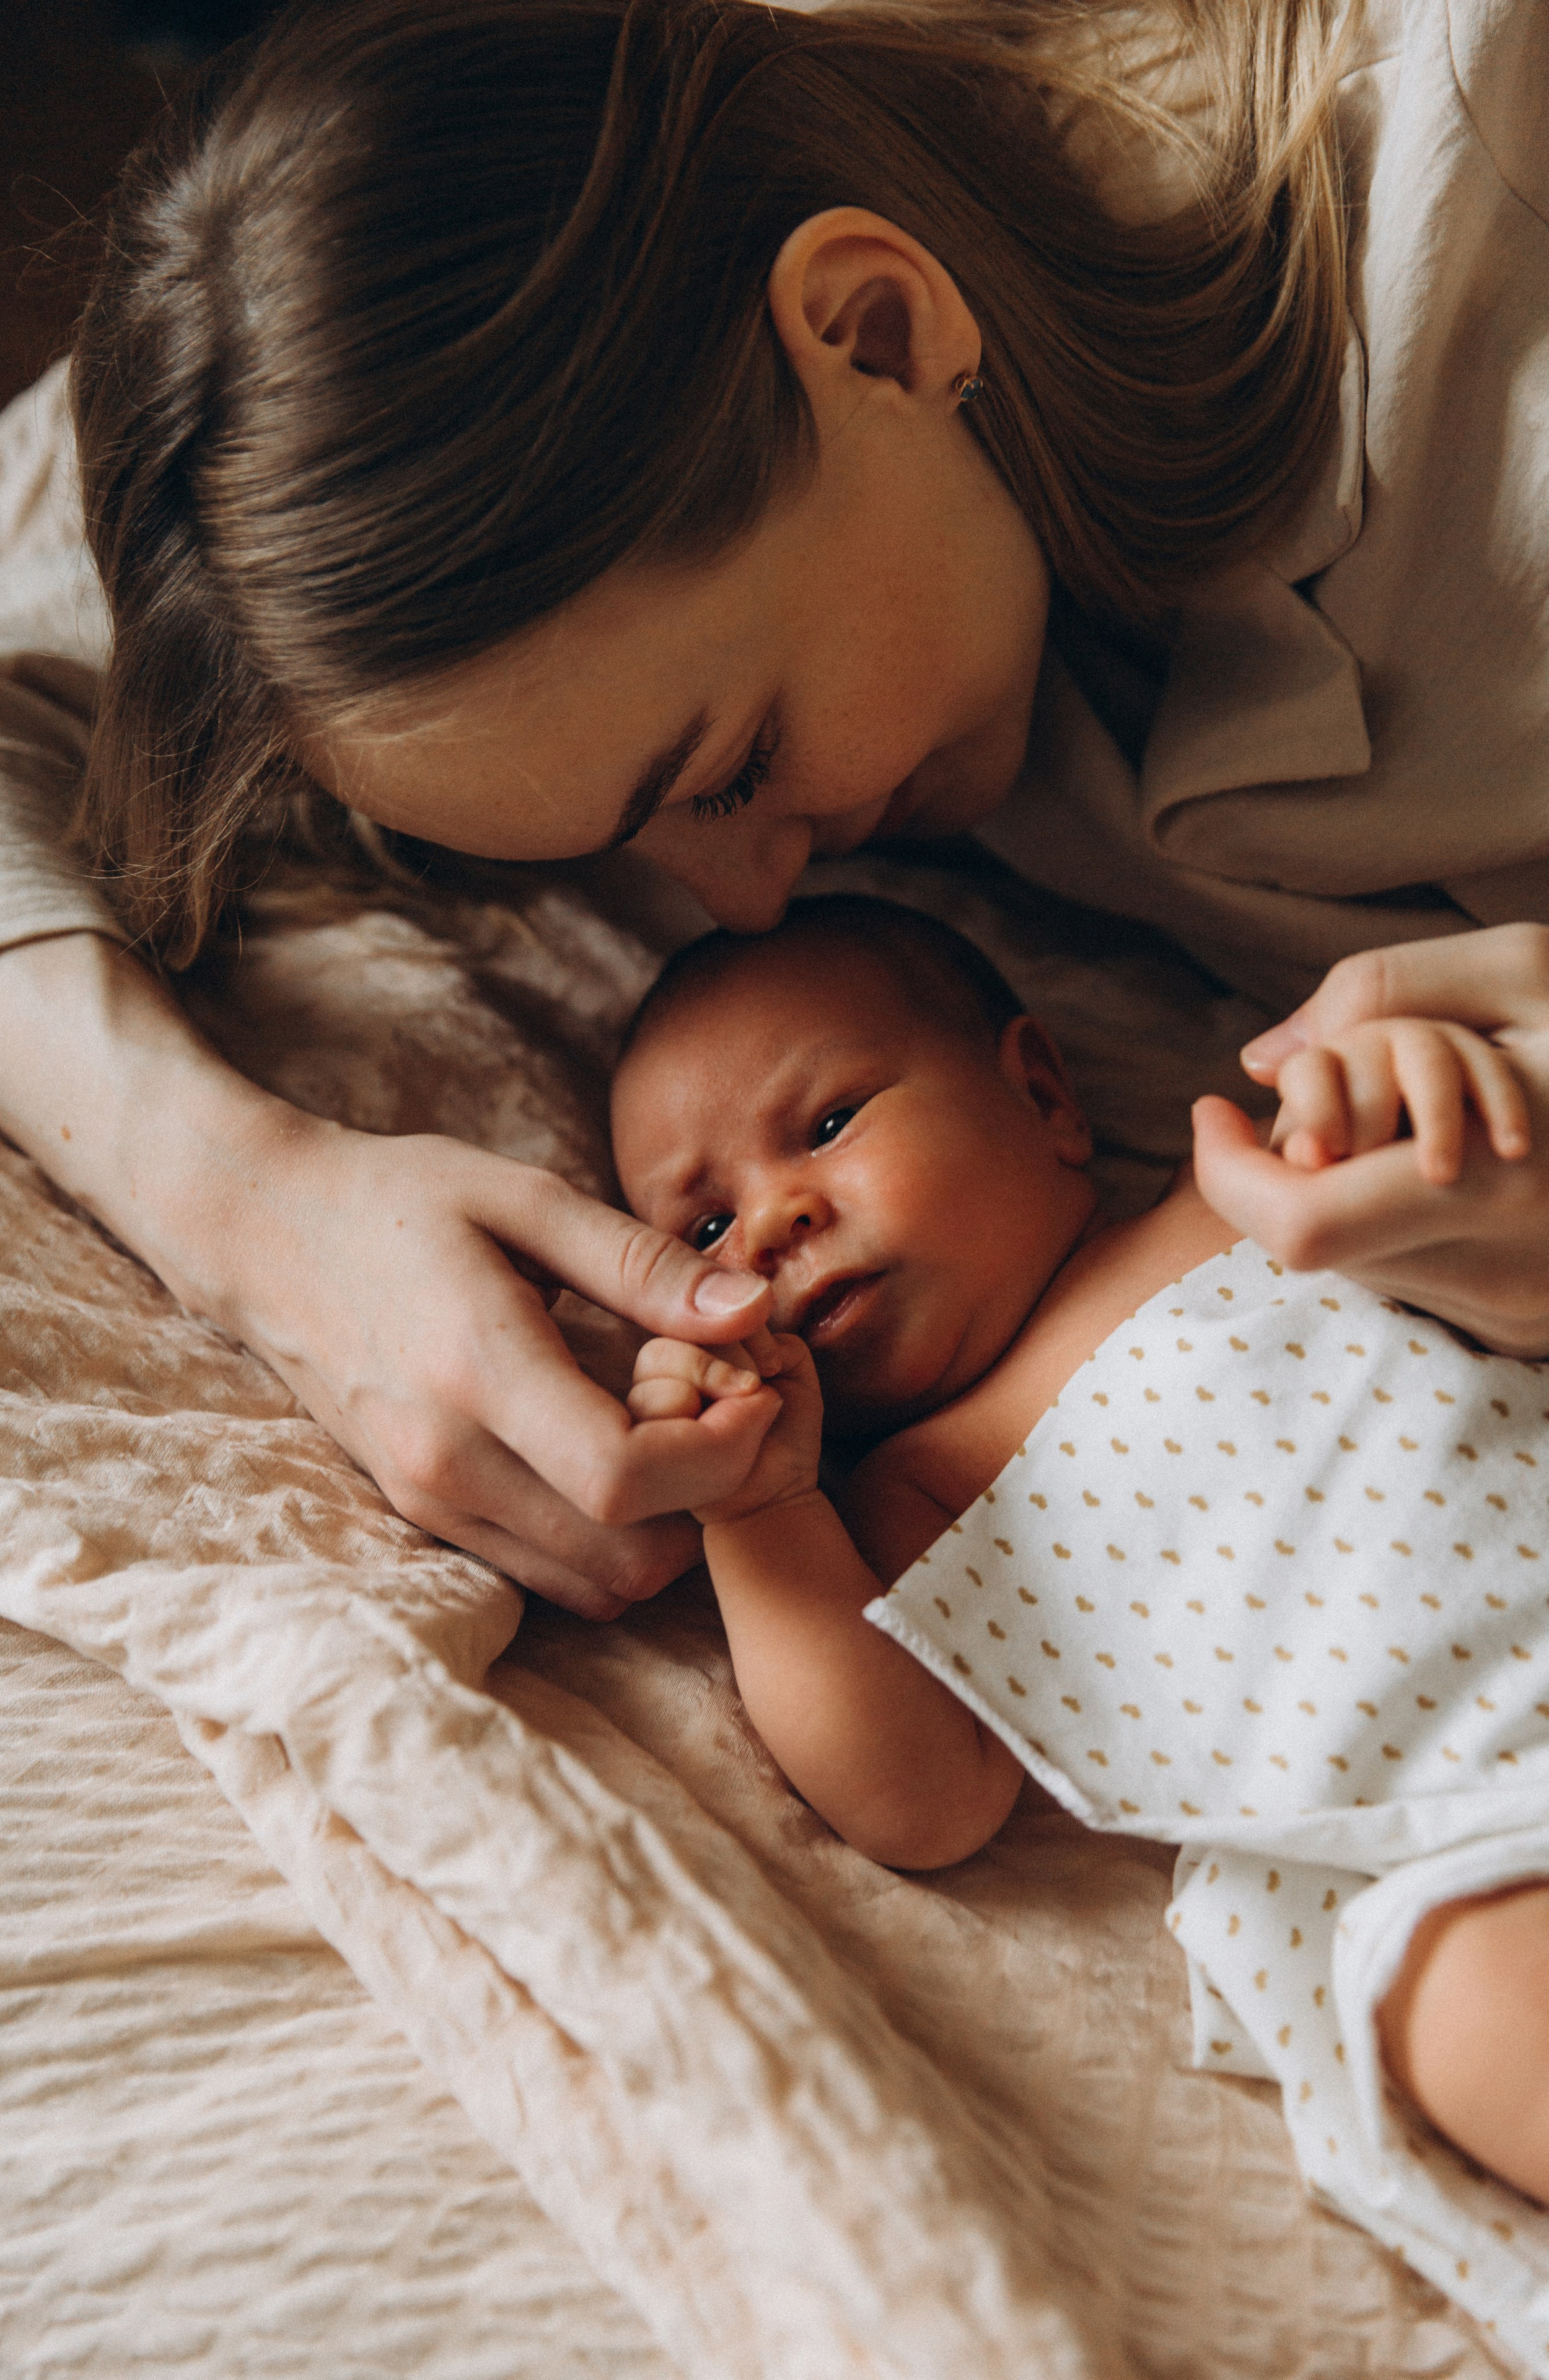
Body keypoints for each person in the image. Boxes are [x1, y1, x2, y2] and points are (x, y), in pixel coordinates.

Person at [0, 0, 1548, 1615]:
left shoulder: (1480, 260)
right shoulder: (409, 500)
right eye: (604, 841)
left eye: (725, 766)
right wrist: (248, 1206)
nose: (744, 903)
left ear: (878, 332)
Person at [608, 895, 1549, 2347]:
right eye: (709, 1223)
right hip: (1420, 1835)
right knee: (1462, 2007)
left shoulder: (1242, 1185)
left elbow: (1479, 1208)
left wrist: (1414, 1094)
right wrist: (753, 1510)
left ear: (1041, 1094)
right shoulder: (917, 1493)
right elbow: (918, 1802)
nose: (777, 1216)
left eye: (830, 1121)